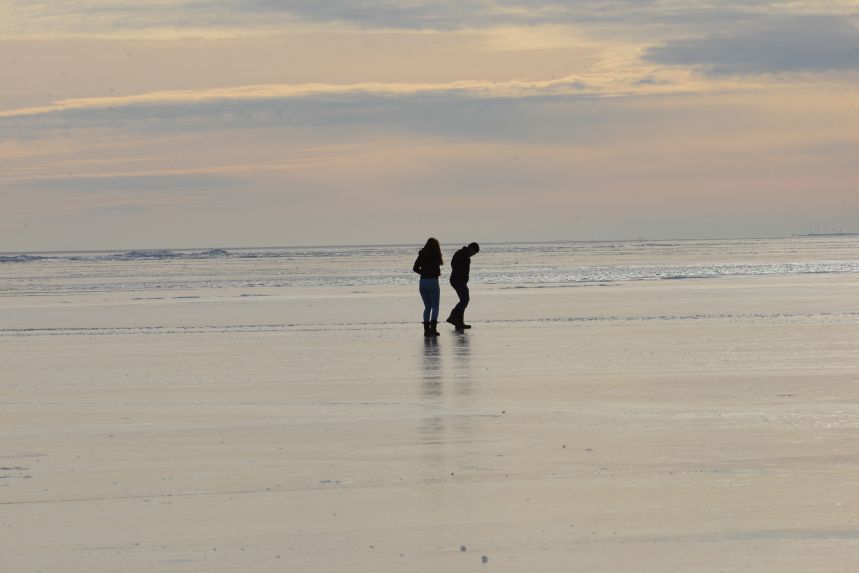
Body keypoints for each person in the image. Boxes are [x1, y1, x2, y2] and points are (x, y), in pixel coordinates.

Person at [413, 237, 443, 337]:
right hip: (433, 281)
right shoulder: (435, 255)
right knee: (435, 306)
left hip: (423, 282)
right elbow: (437, 272)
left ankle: (426, 330)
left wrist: (424, 273)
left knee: (427, 307)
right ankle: (433, 329)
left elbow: (415, 268)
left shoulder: (422, 254)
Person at [446, 242, 479, 331]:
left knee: (463, 300)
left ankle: (459, 323)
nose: (473, 255)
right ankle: (453, 317)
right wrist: (461, 276)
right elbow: (455, 266)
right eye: (474, 253)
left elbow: (454, 265)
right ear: (471, 249)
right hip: (458, 280)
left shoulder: (463, 254)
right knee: (465, 300)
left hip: (459, 280)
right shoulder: (462, 254)